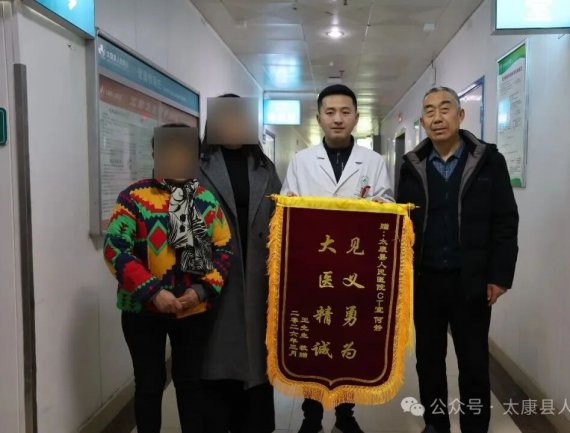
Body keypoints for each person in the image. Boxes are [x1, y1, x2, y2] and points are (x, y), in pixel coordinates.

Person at [397, 87, 519, 433]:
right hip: (425, 280)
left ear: (460, 115)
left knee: (474, 362)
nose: (437, 117)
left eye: (445, 108)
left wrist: (500, 276)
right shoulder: (412, 165)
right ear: (422, 122)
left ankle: (475, 427)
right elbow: (402, 224)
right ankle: (435, 424)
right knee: (429, 362)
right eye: (429, 111)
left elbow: (506, 221)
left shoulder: (489, 161)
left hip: (472, 280)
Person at [104, 123, 232, 433]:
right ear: (154, 154)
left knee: (190, 384)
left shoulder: (204, 200)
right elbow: (115, 249)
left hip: (193, 310)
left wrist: (202, 290)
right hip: (142, 311)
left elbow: (224, 248)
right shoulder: (133, 198)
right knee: (149, 384)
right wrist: (153, 291)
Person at [281, 84, 393, 433]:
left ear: (356, 117)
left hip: (354, 270)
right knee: (314, 340)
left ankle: (346, 414)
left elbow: (388, 206)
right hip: (313, 271)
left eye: (345, 112)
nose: (338, 119)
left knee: (348, 338)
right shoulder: (301, 161)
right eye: (330, 112)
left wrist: (379, 206)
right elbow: (286, 208)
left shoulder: (373, 162)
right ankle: (311, 416)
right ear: (319, 118)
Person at [199, 94, 282, 433]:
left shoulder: (264, 167)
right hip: (214, 273)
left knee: (256, 357)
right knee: (216, 356)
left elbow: (280, 217)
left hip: (258, 273)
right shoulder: (196, 165)